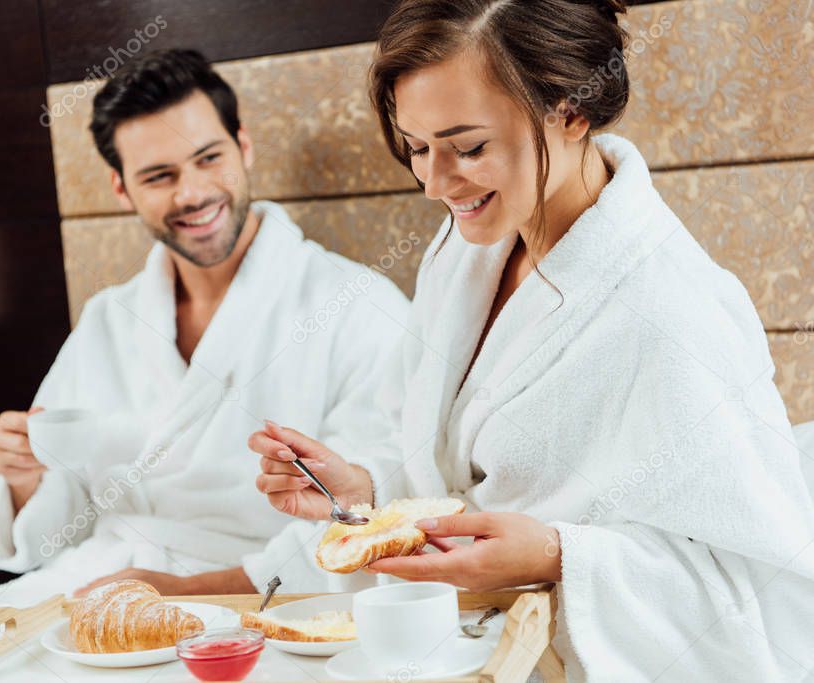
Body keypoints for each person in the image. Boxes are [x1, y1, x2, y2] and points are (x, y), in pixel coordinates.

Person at [248, 1, 814, 680]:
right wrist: (364, 492)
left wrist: (556, 554)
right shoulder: (465, 251)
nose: (433, 183)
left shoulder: (670, 311)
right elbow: (450, 469)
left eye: (468, 147)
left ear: (569, 112)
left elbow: (759, 592)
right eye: (417, 147)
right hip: (463, 644)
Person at [0, 48, 409, 601]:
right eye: (159, 176)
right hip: (103, 584)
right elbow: (55, 531)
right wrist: (25, 478)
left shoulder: (358, 306)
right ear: (121, 188)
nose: (192, 194)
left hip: (267, 598)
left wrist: (191, 590)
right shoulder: (110, 320)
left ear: (244, 145)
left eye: (209, 159)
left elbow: (382, 510)